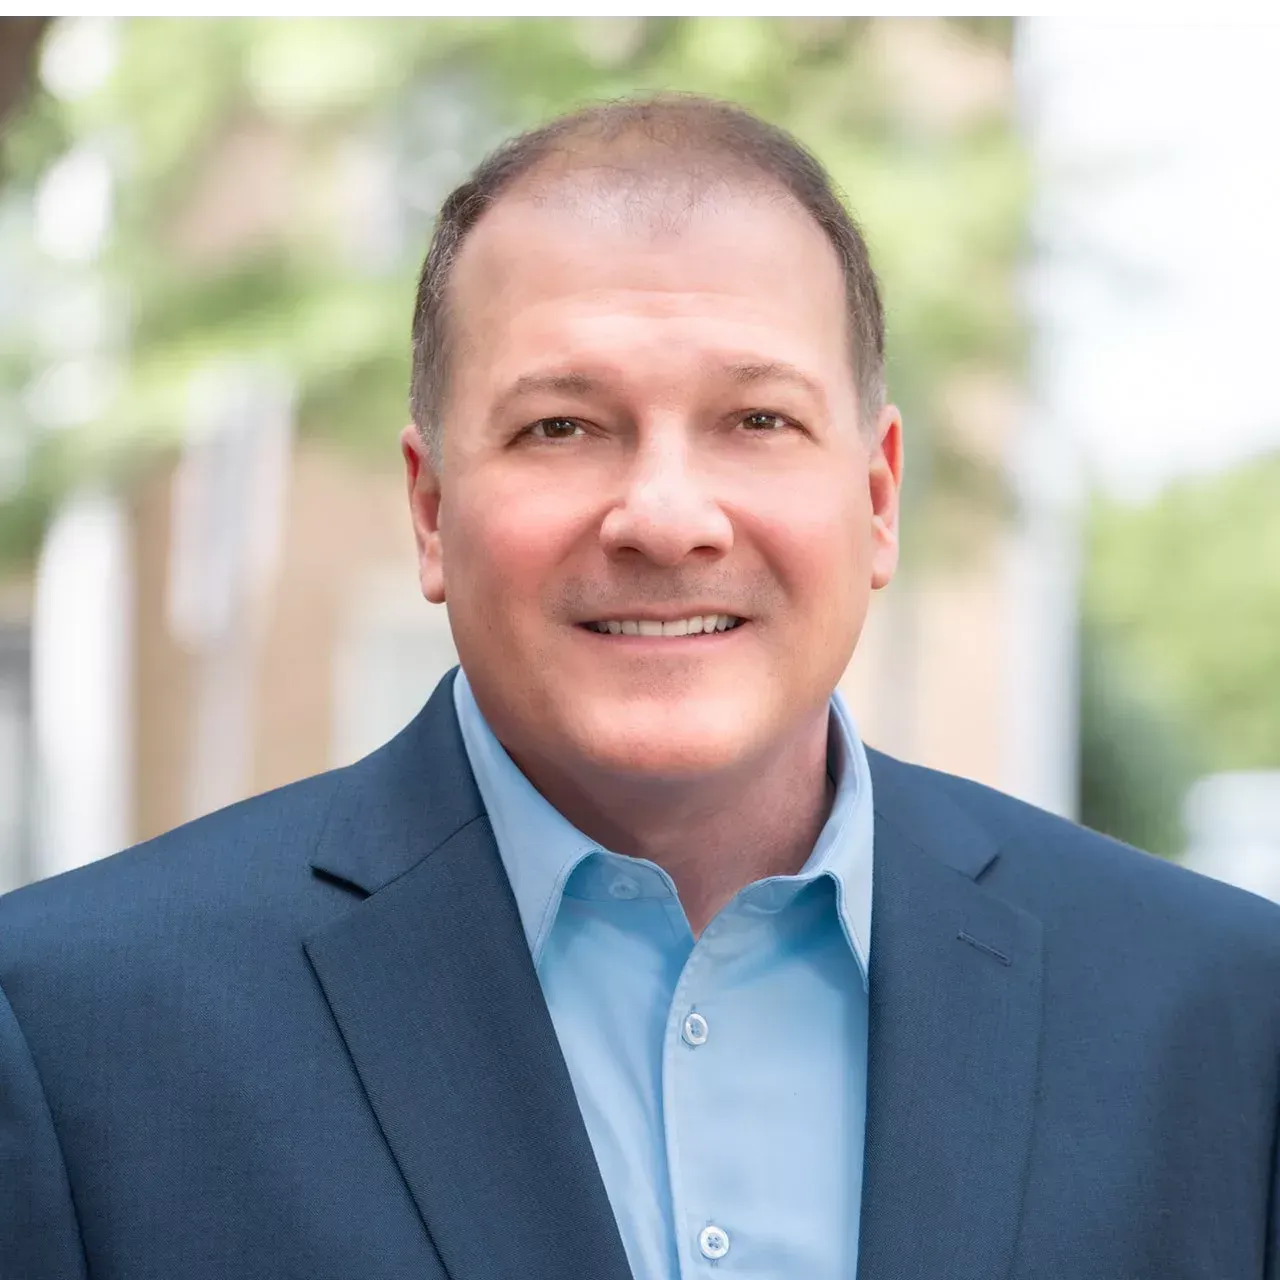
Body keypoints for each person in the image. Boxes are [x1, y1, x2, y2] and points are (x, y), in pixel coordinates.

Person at [2, 94, 1277, 1280]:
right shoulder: (73, 1035)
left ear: (877, 497)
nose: (665, 518)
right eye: (560, 425)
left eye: (757, 420)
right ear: (431, 507)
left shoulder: (1219, 1016)